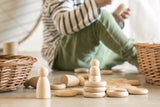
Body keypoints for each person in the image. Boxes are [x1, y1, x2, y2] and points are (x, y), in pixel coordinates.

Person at [41, 0, 138, 70]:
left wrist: (113, 19)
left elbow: (89, 26)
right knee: (101, 17)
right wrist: (95, 4)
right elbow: (64, 25)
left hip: (88, 57)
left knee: (133, 44)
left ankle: (142, 56)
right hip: (62, 55)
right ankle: (138, 59)